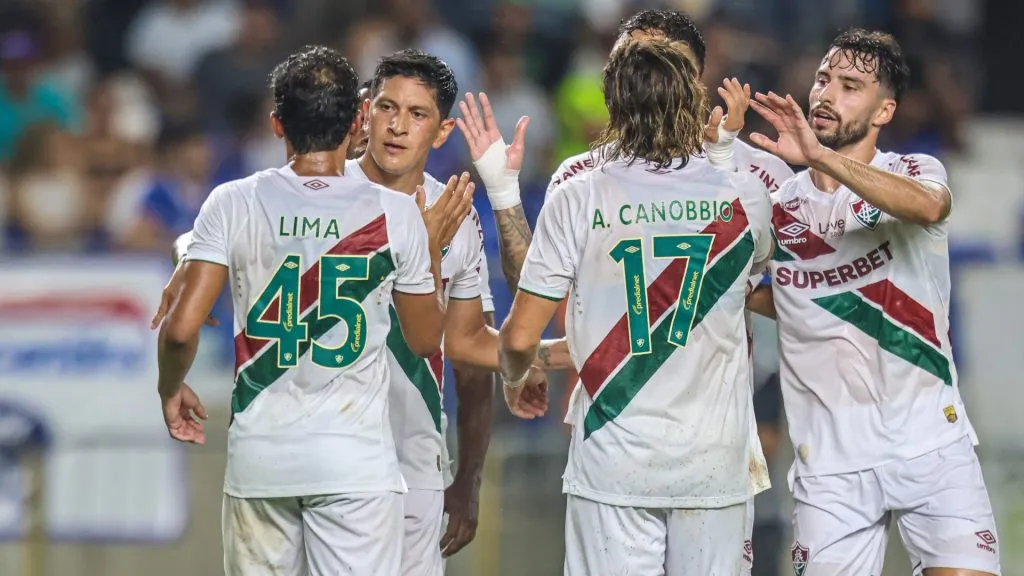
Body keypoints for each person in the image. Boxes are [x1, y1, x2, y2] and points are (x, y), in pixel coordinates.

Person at [154, 48, 569, 576]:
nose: (397, 127)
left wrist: (470, 476)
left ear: (440, 133)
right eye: (386, 108)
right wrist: (187, 261)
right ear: (362, 113)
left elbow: (464, 351)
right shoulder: (322, 184)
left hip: (411, 459)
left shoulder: (456, 216)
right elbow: (220, 231)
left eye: (417, 115)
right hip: (352, 455)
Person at [458, 9, 783, 573]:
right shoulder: (746, 191)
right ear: (692, 91)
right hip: (714, 458)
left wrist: (520, 372)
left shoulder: (578, 191)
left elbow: (525, 327)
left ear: (611, 94)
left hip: (613, 454)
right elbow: (760, 288)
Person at [745, 29, 1001, 576]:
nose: (826, 94)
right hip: (830, 467)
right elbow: (784, 295)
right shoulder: (779, 208)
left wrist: (822, 160)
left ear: (885, 109)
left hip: (932, 447)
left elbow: (929, 210)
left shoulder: (914, 172)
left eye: (850, 85)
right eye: (822, 79)